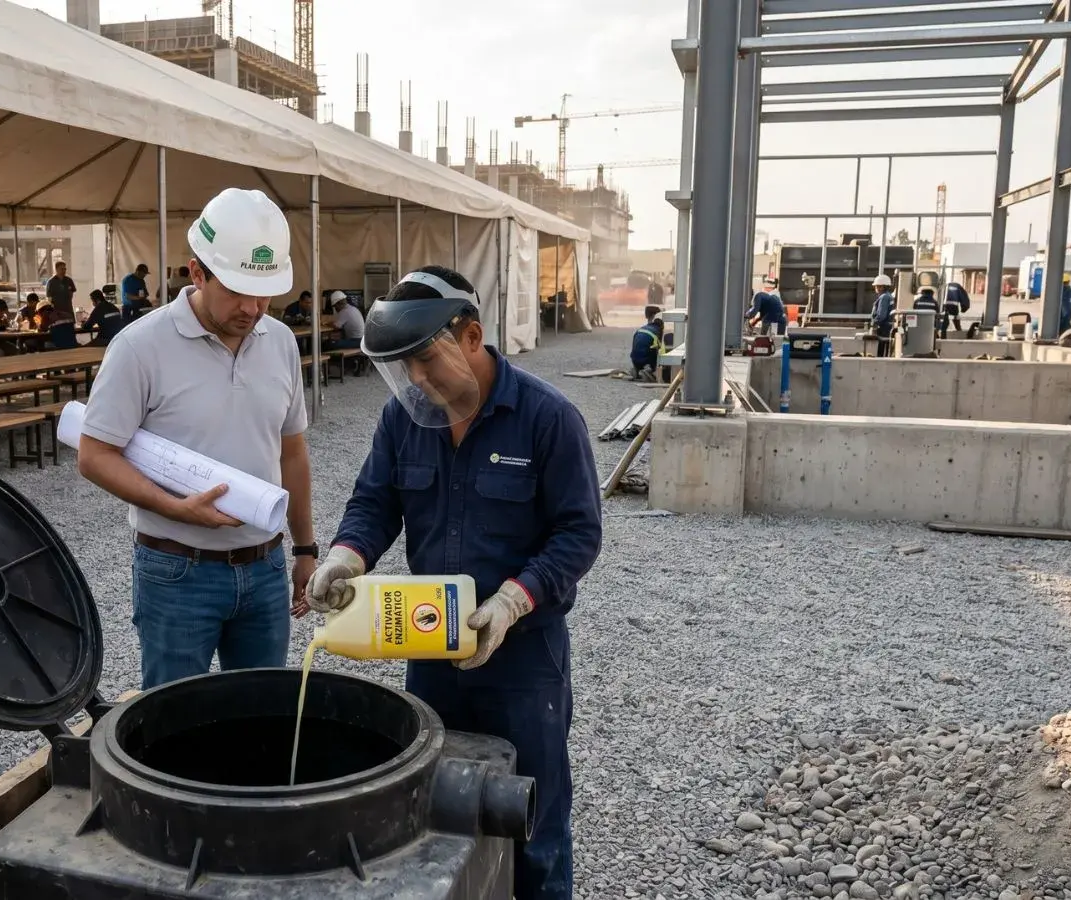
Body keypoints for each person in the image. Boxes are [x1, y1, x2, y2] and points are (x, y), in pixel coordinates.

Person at [306, 266, 602, 900]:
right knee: (436, 807)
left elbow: (578, 535)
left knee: (532, 817)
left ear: (471, 335)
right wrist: (345, 557)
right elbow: (375, 501)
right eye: (402, 367)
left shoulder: (548, 420)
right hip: (431, 643)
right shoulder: (405, 418)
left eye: (424, 360)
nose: (416, 380)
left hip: (524, 656)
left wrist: (511, 600)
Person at [77, 187, 315, 690]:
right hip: (177, 570)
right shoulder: (140, 347)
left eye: (264, 292)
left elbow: (291, 451)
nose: (253, 308)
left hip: (266, 566)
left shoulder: (281, 343)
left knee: (260, 718)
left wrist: (305, 548)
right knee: (172, 725)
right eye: (237, 291)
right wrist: (173, 507)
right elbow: (95, 454)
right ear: (197, 272)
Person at [630, 305, 664, 380]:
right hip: (646, 360)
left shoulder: (641, 329)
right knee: (657, 350)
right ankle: (649, 370)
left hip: (634, 359)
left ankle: (636, 369)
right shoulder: (657, 331)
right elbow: (659, 349)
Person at [871, 274, 896, 358]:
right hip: (889, 327)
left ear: (882, 287)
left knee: (881, 350)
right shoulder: (889, 296)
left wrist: (874, 323)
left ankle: (879, 364)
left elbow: (881, 315)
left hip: (883, 327)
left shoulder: (884, 297)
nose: (876, 288)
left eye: (877, 286)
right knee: (887, 349)